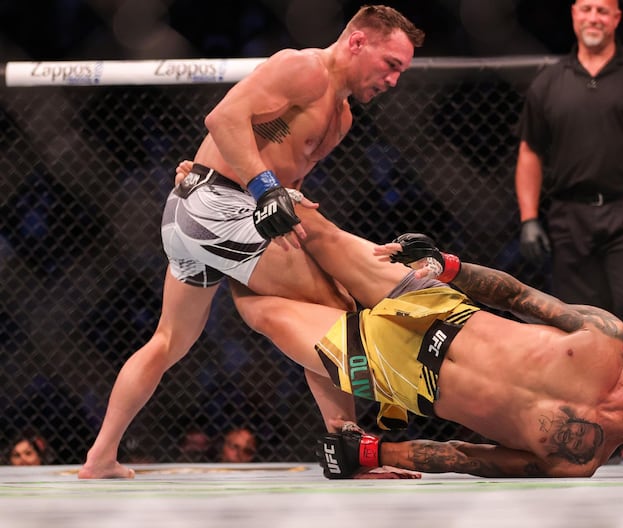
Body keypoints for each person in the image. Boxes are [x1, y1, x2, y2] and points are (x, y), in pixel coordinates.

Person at [78, 5, 425, 479]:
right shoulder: (304, 68)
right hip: (215, 205)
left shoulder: (341, 119)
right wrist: (258, 187)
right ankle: (350, 448)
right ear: (358, 42)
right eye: (391, 65)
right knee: (334, 304)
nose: (393, 81)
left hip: (207, 212)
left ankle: (99, 458)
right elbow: (223, 118)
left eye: (401, 72)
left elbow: (282, 181)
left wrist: (270, 192)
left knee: (168, 341)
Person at [231, 213, 623, 478]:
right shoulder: (609, 340)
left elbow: (468, 458)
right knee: (310, 228)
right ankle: (214, 182)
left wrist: (376, 451)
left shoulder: (574, 461)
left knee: (264, 313)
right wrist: (448, 266)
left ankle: (202, 256)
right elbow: (520, 297)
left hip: (398, 373)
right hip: (437, 306)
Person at [513, 0, 623, 402]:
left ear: (616, 19)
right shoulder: (549, 82)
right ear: (573, 14)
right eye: (587, 9)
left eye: (603, 10)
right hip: (569, 215)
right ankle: (585, 421)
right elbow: (530, 152)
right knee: (578, 325)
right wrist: (528, 217)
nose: (594, 18)